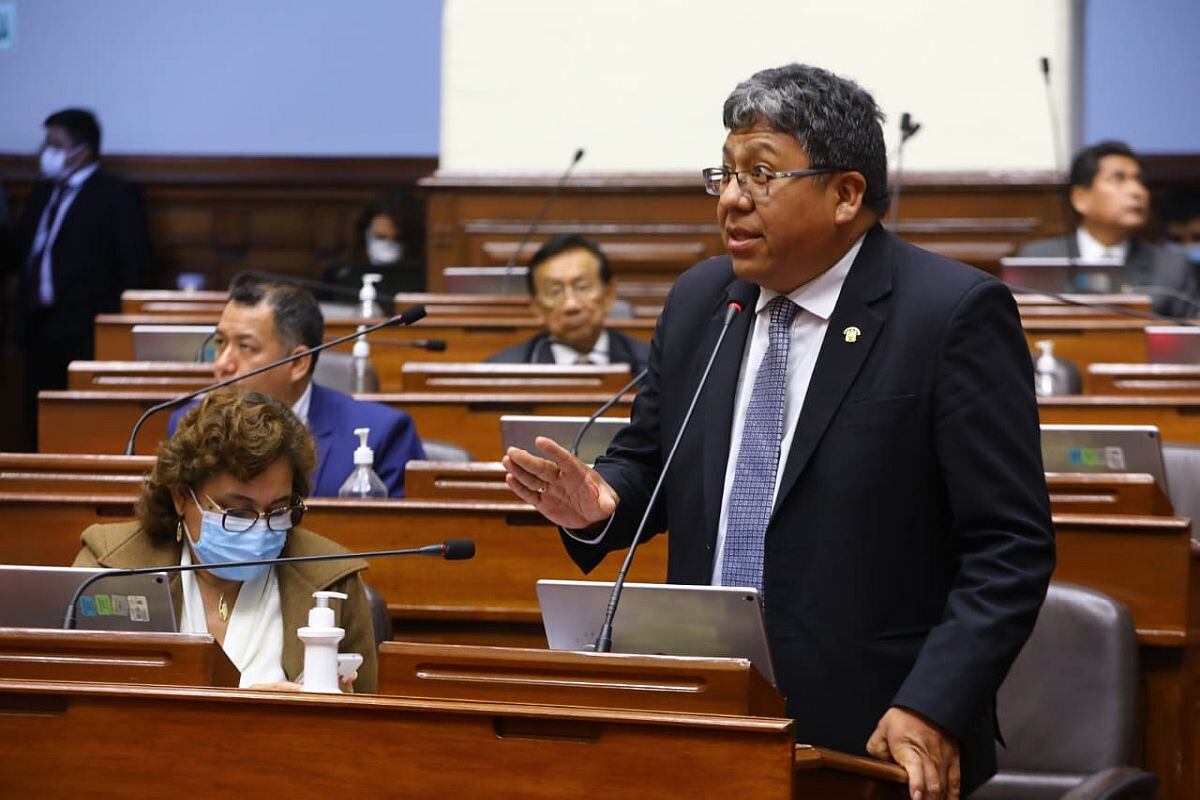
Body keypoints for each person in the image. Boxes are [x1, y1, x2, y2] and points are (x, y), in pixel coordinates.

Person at [503, 64, 1054, 800]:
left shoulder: (950, 315)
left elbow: (1009, 547)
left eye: (760, 173)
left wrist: (934, 703)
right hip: (700, 711)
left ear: (846, 194)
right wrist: (603, 507)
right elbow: (650, 461)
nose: (731, 199)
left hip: (873, 732)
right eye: (725, 174)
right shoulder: (705, 298)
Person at [75, 388, 378, 691]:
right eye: (238, 512)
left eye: (278, 509)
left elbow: (367, 726)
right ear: (182, 496)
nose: (261, 527)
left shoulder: (332, 579)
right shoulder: (109, 567)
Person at [168, 279, 425, 497]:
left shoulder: (383, 433)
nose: (223, 364)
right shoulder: (188, 425)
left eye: (246, 347)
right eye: (220, 343)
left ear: (298, 363)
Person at [9, 108, 151, 447]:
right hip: (39, 324)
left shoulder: (115, 195)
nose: (45, 152)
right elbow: (21, 251)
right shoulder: (43, 193)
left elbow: (136, 265)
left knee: (80, 421)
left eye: (55, 144)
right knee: (37, 415)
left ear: (82, 150)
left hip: (86, 329)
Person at [1019, 141, 1197, 317]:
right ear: (1081, 198)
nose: (1137, 191)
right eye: (1118, 179)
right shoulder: (1038, 259)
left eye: (1139, 180)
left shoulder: (1172, 269)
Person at [486, 234, 650, 370]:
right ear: (537, 308)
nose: (571, 305)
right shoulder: (504, 371)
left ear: (609, 294)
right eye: (555, 292)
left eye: (582, 287)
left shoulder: (649, 366)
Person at [321, 195, 426, 301]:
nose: (388, 245)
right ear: (365, 234)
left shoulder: (425, 278)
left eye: (397, 239)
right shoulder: (340, 275)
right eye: (381, 237)